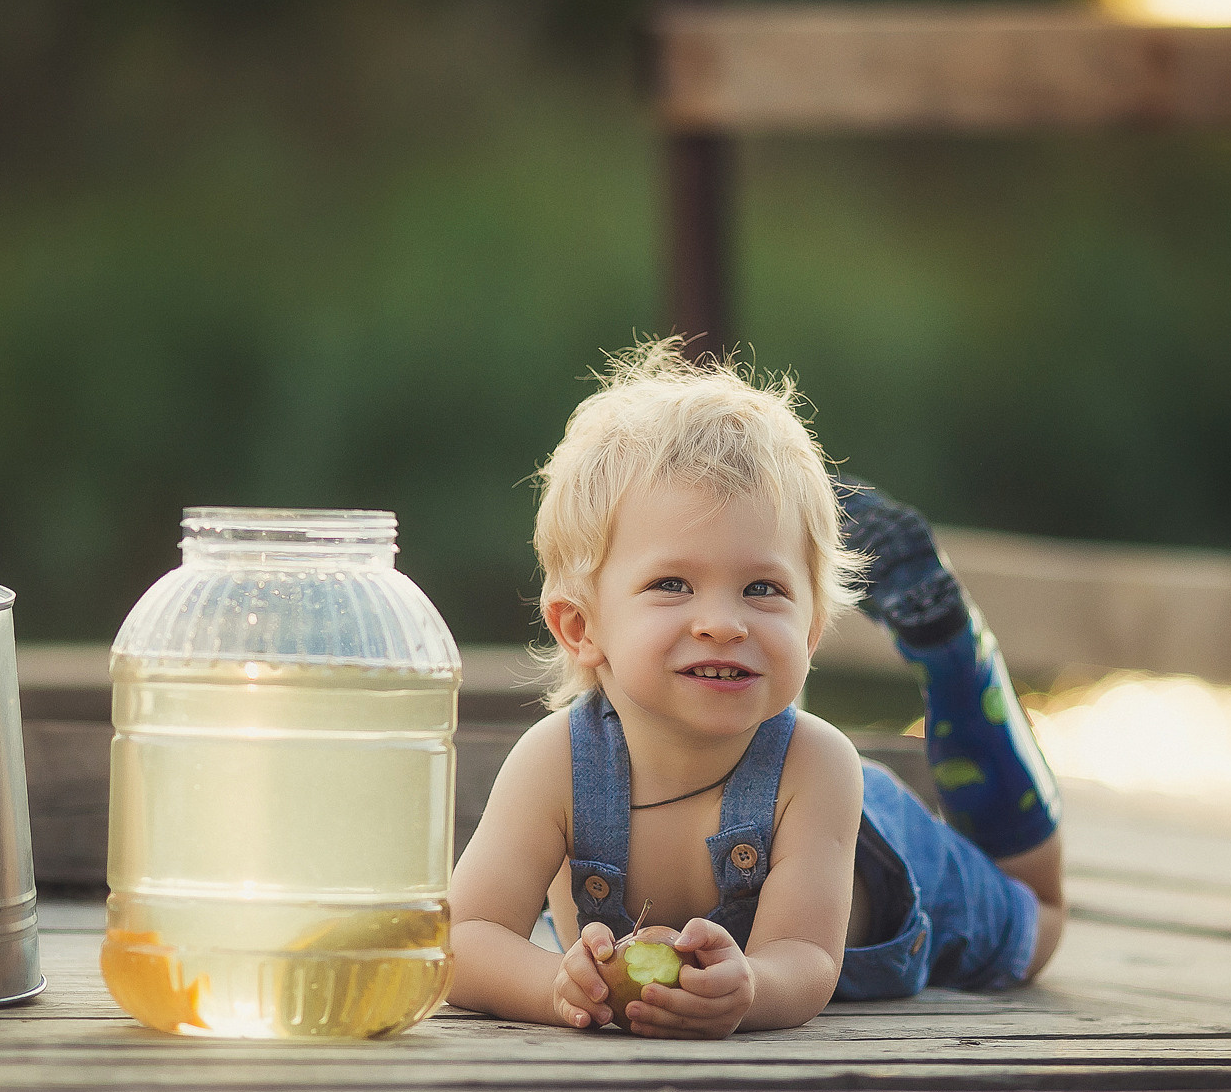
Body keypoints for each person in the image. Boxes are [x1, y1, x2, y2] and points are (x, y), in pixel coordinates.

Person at [446, 341, 1064, 1037]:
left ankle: (959, 665)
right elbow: (462, 936)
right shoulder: (555, 761)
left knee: (1037, 920)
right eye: (671, 584)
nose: (722, 623)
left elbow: (803, 957)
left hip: (895, 864)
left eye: (762, 589)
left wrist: (753, 987)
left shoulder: (814, 764)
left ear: (810, 629)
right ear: (581, 626)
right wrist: (551, 984)